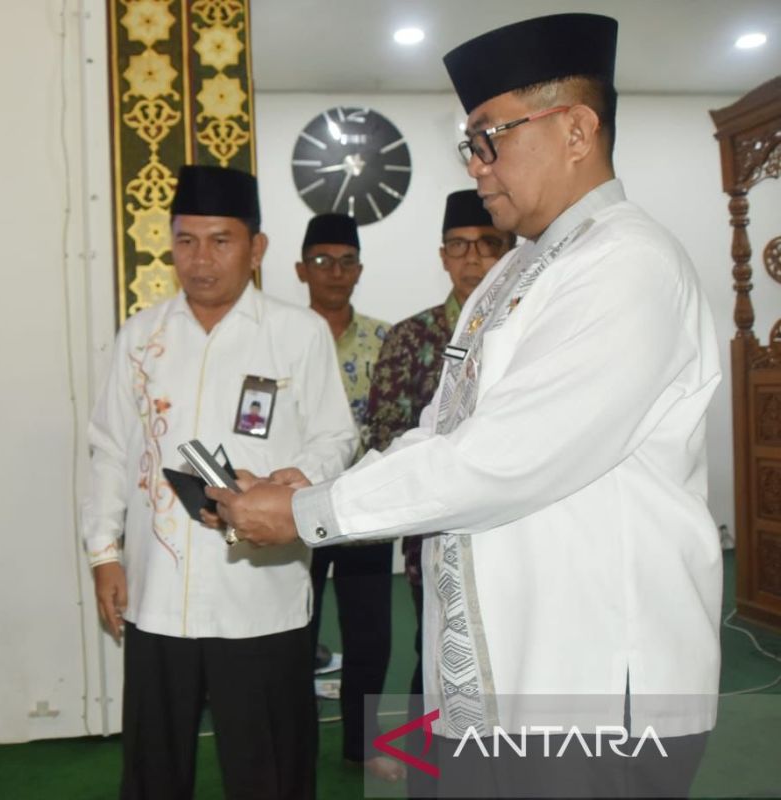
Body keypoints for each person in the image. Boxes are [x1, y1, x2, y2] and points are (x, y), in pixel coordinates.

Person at [208, 14, 721, 798]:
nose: (476, 167)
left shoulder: (628, 264)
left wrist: (312, 511)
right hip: (508, 675)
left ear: (577, 130)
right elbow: (442, 432)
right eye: (469, 144)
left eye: (490, 138)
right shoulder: (517, 274)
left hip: (593, 679)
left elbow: (506, 457)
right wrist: (302, 490)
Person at [82, 164, 358, 800]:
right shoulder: (140, 339)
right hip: (158, 595)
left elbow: (336, 438)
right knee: (154, 768)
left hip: (259, 596)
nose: (200, 259)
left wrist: (298, 479)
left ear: (256, 248)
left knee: (270, 770)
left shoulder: (298, 334)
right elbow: (106, 449)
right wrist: (104, 553)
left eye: (220, 241)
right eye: (185, 240)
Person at [363, 191, 513, 796]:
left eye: (486, 244)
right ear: (443, 256)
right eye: (459, 246)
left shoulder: (527, 325)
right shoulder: (411, 337)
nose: (473, 259)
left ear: (506, 250)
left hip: (512, 531)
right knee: (438, 656)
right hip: (437, 534)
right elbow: (384, 432)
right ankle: (432, 778)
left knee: (509, 658)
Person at [294, 212, 403, 782]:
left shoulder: (389, 340)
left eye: (345, 261)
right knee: (294, 634)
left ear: (359, 269)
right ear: (300, 269)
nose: (334, 273)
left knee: (370, 636)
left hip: (363, 509)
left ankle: (362, 747)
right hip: (293, 511)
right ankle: (297, 748)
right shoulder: (282, 336)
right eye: (321, 261)